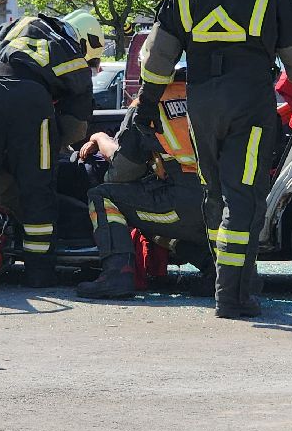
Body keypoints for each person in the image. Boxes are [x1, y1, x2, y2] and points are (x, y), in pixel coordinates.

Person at [135, 0, 292, 319]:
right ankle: (233, 294)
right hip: (249, 101)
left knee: (215, 192)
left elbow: (157, 56)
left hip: (201, 101)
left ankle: (223, 280)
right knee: (244, 197)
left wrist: (147, 104)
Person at [0, 9, 101, 288]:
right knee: (38, 190)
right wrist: (48, 146)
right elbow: (75, 130)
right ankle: (39, 275)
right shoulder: (74, 58)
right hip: (33, 103)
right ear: (85, 42)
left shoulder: (21, 22)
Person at [74, 71, 213, 300]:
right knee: (153, 222)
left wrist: (99, 138)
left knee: (103, 196)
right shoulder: (209, 97)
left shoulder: (148, 103)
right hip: (219, 206)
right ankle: (216, 269)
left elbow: (122, 171)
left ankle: (117, 274)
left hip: (182, 205)